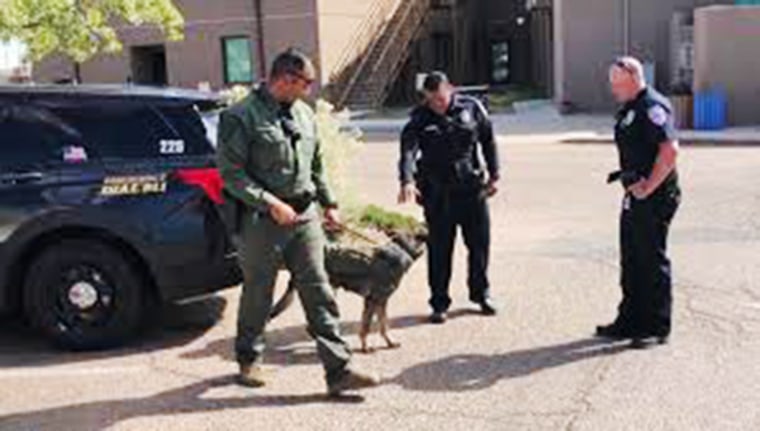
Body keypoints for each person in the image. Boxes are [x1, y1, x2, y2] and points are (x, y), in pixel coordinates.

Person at [216, 48, 379, 395]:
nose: (308, 91)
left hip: (304, 218)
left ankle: (339, 370)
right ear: (286, 79)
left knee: (319, 290)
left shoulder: (304, 115)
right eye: (304, 84)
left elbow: (315, 165)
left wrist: (329, 203)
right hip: (261, 222)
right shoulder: (240, 116)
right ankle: (249, 358)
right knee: (258, 293)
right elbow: (231, 174)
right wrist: (270, 202)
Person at [398, 71, 501, 324]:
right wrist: (407, 181)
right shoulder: (420, 117)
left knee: (479, 246)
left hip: (471, 190)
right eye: (431, 100)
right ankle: (439, 302)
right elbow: (408, 151)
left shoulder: (472, 108)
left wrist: (495, 174)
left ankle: (481, 294)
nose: (437, 104)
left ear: (451, 90)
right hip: (438, 195)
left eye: (441, 98)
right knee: (440, 251)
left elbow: (488, 140)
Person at [597, 56, 681, 349]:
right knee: (631, 258)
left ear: (633, 76)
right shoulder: (631, 107)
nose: (613, 90)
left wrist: (649, 187)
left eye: (617, 83)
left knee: (650, 259)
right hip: (634, 194)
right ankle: (630, 320)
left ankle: (656, 325)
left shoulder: (652, 107)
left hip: (655, 196)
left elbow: (669, 151)